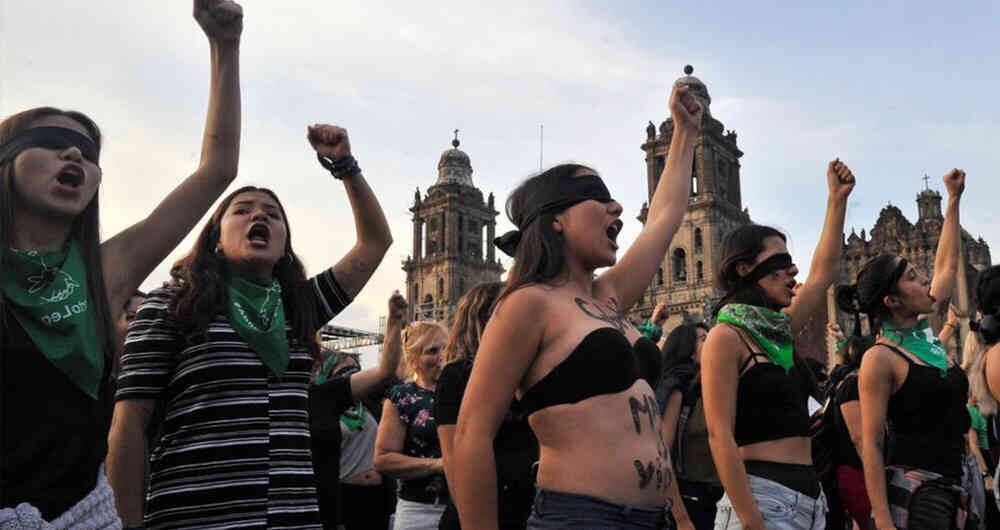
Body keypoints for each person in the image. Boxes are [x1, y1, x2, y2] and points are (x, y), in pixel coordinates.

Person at [0, 1, 243, 526]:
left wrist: (225, 46)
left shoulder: (103, 274)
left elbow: (217, 169)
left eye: (87, 152)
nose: (75, 156)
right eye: (53, 143)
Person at [110, 123, 393, 529]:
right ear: (216, 238)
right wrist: (128, 524)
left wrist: (346, 166)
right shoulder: (171, 305)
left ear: (284, 246)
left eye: (272, 214)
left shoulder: (299, 308)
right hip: (195, 520)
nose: (259, 215)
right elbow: (129, 426)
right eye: (242, 210)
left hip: (294, 521)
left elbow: (374, 243)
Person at [451, 82, 703, 530]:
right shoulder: (528, 304)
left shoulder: (608, 297)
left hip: (655, 519)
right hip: (582, 518)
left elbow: (664, 218)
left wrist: (684, 133)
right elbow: (471, 434)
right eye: (598, 198)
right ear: (556, 220)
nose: (617, 207)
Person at [702, 159, 856, 530]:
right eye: (781, 262)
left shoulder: (778, 330)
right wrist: (751, 520)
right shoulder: (726, 337)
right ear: (744, 269)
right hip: (763, 502)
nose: (794, 271)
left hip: (810, 502)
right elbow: (719, 435)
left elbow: (821, 275)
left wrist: (836, 200)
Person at [840, 169, 969, 530]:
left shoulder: (925, 338)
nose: (926, 279)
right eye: (913, 277)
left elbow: (946, 264)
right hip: (917, 496)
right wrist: (882, 520)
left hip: (956, 486)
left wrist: (953, 200)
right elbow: (871, 444)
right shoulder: (880, 358)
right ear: (892, 300)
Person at [436, 282, 539, 530]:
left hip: (532, 512)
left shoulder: (528, 373)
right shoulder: (457, 375)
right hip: (486, 515)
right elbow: (454, 461)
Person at [311, 292, 407, 530]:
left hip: (376, 501)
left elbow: (387, 372)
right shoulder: (320, 405)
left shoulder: (368, 404)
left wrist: (394, 324)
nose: (352, 375)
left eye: (355, 369)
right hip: (343, 502)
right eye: (344, 371)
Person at [374, 320, 449, 529]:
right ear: (413, 358)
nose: (442, 356)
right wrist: (438, 464)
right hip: (420, 512)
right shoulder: (402, 397)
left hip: (467, 507)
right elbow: (383, 459)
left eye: (446, 349)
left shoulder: (467, 392)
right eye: (432, 351)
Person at [658, 323, 719, 530]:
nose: (712, 341)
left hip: (717, 499)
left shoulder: (713, 385)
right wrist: (681, 518)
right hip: (690, 503)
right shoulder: (678, 389)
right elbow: (662, 455)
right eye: (703, 338)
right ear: (687, 350)